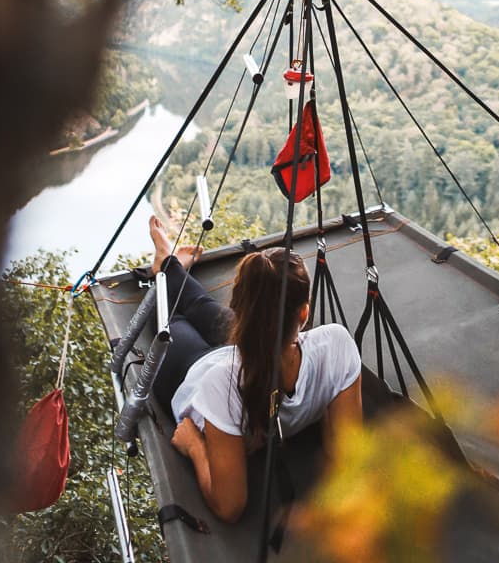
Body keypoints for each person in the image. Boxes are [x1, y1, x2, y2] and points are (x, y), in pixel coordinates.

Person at [146, 215, 362, 523]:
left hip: (213, 363)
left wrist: (198, 445)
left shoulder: (226, 382)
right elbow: (228, 505)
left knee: (183, 316)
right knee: (185, 312)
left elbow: (229, 505)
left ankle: (169, 266)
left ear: (240, 308)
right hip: (212, 365)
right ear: (304, 311)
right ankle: (167, 263)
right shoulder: (337, 343)